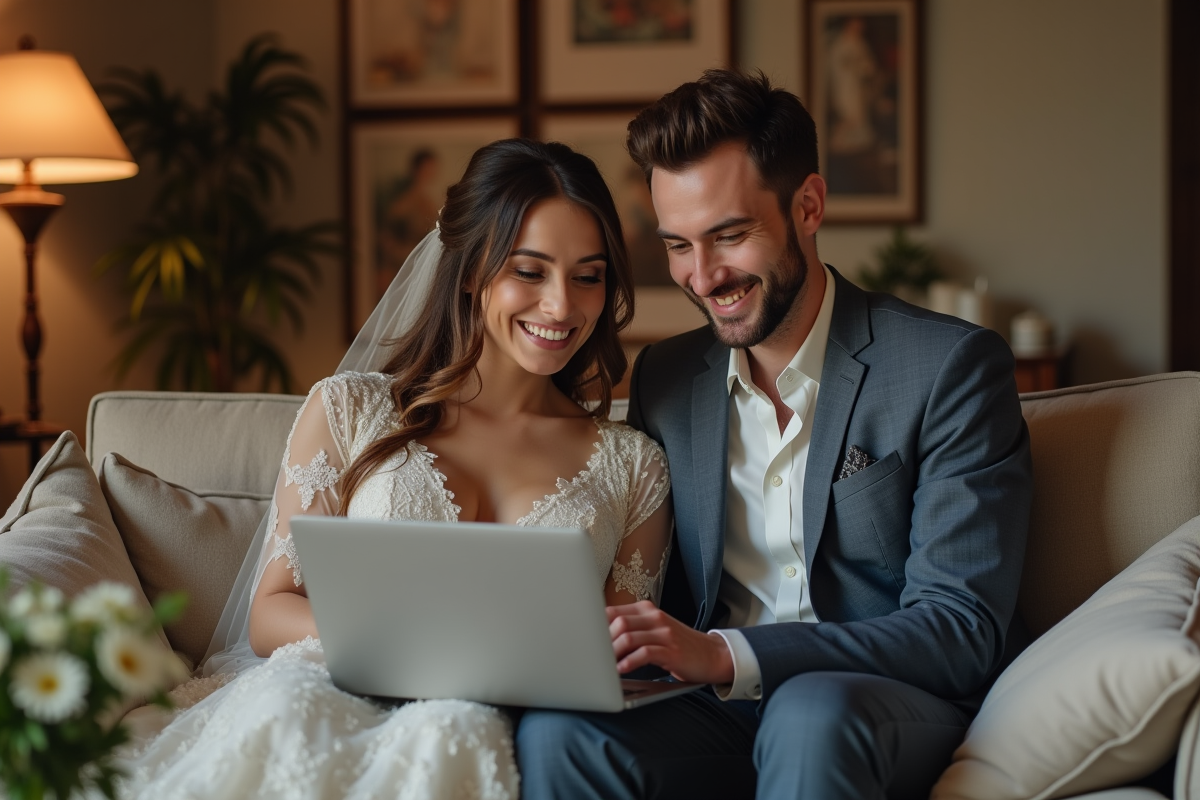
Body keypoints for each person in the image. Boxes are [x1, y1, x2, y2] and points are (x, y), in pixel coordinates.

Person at [516, 69, 1033, 799]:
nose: (702, 277)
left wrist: (725, 655)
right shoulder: (665, 377)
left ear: (809, 206)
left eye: (729, 235)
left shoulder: (949, 367)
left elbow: (960, 629)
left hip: (882, 705)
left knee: (809, 711)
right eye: (677, 245)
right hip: (712, 715)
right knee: (559, 733)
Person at [113, 138, 673, 799]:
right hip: (327, 691)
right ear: (469, 272)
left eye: (588, 275)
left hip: (505, 734)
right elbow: (271, 613)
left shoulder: (634, 466)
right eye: (529, 271)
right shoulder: (348, 409)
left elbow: (617, 663)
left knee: (448, 733)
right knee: (297, 720)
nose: (561, 306)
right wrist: (431, 652)